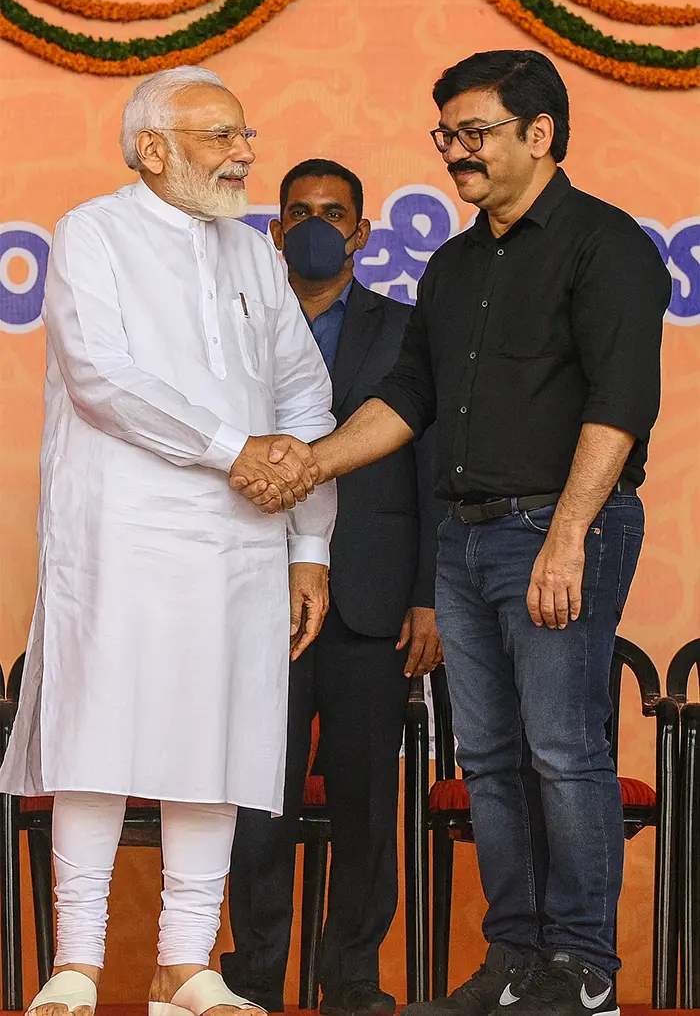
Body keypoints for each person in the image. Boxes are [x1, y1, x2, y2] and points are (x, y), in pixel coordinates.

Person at [234, 51, 672, 1016]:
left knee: (564, 750)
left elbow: (620, 405)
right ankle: (515, 962)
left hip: (558, 531)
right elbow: (409, 399)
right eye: (447, 135)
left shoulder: (607, 246)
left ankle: (582, 969)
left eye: (474, 133)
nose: (456, 153)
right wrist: (312, 464)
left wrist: (567, 535)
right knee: (490, 760)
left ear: (539, 134)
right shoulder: (456, 264)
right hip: (466, 545)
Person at [0, 66, 337, 1016]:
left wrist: (309, 545)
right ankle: (77, 963)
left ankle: (184, 965)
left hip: (240, 541)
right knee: (97, 737)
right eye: (222, 136)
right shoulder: (92, 233)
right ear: (153, 149)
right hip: (121, 535)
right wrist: (234, 449)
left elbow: (304, 395)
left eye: (245, 134)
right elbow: (101, 377)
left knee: (215, 740)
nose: (246, 154)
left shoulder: (256, 255)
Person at [221, 160, 444, 1016]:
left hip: (372, 600)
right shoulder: (235, 324)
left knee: (365, 800)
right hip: (253, 592)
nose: (317, 225)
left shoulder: (407, 329)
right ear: (275, 231)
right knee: (256, 799)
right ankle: (254, 975)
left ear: (361, 232)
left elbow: (430, 469)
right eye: (300, 212)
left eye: (334, 212)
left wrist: (426, 595)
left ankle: (351, 978)